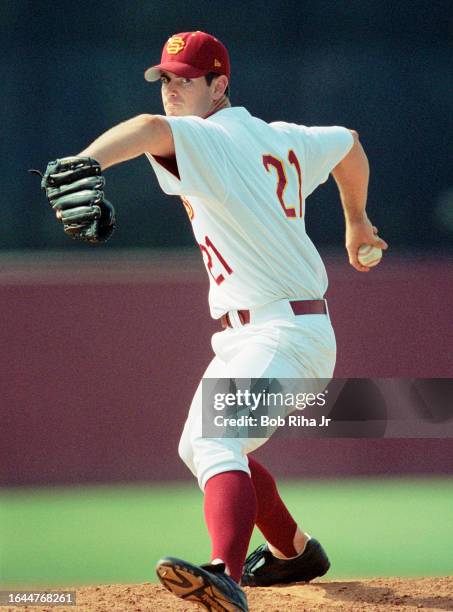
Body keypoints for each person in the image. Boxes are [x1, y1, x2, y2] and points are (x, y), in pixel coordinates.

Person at [37, 30, 388, 612]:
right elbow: (349, 144)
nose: (171, 88)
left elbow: (149, 130)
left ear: (219, 84)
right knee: (202, 446)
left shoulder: (213, 137)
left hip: (283, 331)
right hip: (266, 333)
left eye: (184, 79)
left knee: (214, 437)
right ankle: (294, 552)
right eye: (165, 78)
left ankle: (225, 575)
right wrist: (358, 219)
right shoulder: (280, 137)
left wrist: (86, 161)